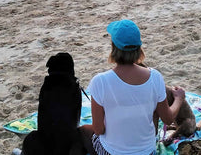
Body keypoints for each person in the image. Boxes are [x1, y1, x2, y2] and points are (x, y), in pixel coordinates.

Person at [79, 19, 186, 155]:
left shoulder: (100, 81)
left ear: (113, 47)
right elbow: (168, 119)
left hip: (112, 152)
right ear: (139, 48)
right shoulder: (155, 77)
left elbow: (99, 130)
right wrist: (179, 99)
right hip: (147, 152)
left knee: (83, 131)